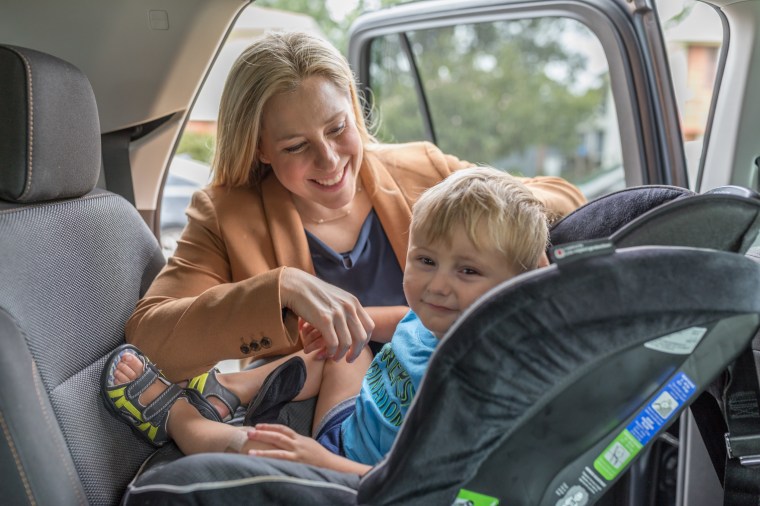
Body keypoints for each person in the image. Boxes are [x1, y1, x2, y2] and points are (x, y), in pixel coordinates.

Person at [124, 31, 585, 388]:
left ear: (352, 104)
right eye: (296, 146)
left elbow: (567, 200)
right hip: (326, 426)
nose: (329, 160)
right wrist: (281, 288)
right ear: (260, 148)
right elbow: (150, 338)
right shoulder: (226, 214)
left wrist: (487, 220)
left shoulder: (423, 168)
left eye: (337, 127)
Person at [103, 167, 549, 475]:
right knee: (344, 339)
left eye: (467, 271)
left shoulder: (481, 385)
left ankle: (180, 420)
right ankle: (227, 393)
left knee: (267, 452)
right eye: (426, 260)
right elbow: (403, 320)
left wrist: (317, 459)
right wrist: (356, 322)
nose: (437, 286)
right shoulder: (445, 317)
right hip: (357, 412)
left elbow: (410, 484)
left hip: (353, 468)